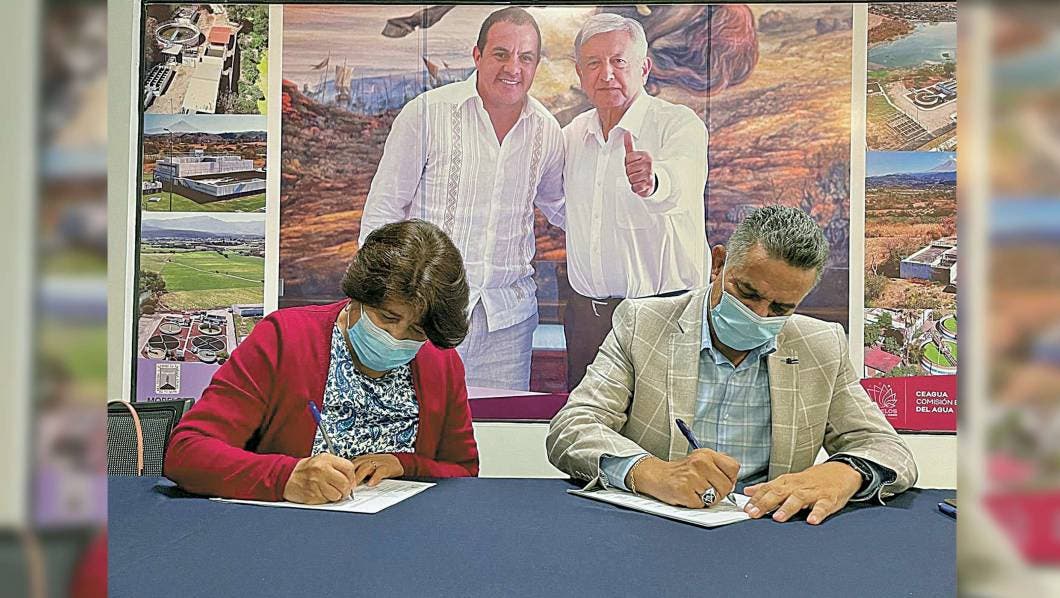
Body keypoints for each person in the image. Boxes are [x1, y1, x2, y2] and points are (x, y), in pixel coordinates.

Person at [547, 205, 918, 524]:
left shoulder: (821, 346)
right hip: (656, 526)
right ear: (719, 263)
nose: (759, 315)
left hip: (769, 532)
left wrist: (842, 474)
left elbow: (888, 449)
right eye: (748, 293)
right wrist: (653, 473)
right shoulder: (644, 324)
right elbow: (573, 427)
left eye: (781, 308)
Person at [164, 220, 478, 503]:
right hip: (291, 532)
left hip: (402, 536)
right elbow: (187, 453)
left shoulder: (442, 362)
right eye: (387, 317)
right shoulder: (284, 339)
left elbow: (464, 471)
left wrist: (404, 465)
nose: (396, 337)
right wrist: (286, 478)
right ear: (359, 295)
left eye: (416, 330)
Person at [359, 7, 564, 391]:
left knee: (497, 427)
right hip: (425, 317)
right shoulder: (427, 114)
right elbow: (384, 208)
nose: (513, 68)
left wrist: (632, 192)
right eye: (501, 54)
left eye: (526, 57)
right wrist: (380, 302)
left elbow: (563, 207)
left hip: (508, 326)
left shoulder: (548, 131)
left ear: (536, 64)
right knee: (417, 424)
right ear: (477, 55)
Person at [561, 13, 709, 390]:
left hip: (665, 317)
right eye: (594, 63)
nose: (607, 74)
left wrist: (653, 181)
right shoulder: (573, 134)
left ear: (644, 68)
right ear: (580, 73)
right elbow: (559, 204)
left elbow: (682, 181)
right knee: (586, 424)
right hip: (588, 322)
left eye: (618, 61)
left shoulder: (678, 124)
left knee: (664, 425)